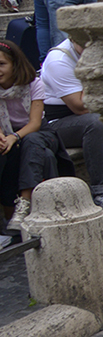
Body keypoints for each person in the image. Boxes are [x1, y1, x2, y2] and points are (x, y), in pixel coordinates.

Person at [39, 37, 103, 212]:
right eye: (85, 42)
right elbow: (80, 107)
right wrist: (92, 70)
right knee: (95, 124)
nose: (92, 47)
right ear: (72, 38)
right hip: (59, 122)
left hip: (99, 109)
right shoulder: (59, 61)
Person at [0, 39, 51, 231]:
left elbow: (35, 123)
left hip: (37, 133)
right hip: (8, 133)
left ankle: (24, 203)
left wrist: (13, 136)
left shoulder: (33, 84)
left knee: (30, 142)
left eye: (2, 64)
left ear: (15, 64)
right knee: (7, 153)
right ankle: (9, 220)